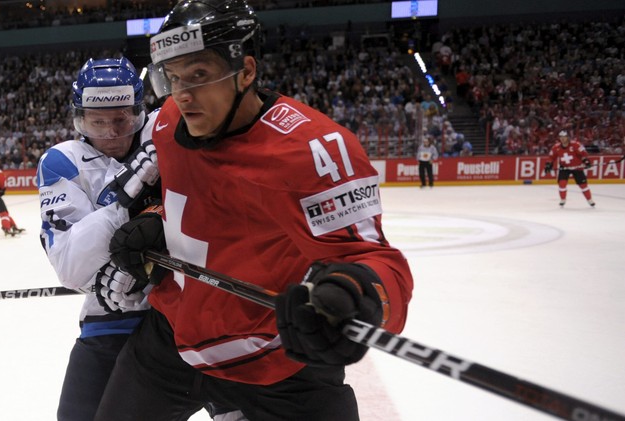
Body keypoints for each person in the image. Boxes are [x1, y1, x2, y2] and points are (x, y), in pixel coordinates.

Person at [96, 1, 413, 420]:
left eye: (199, 75)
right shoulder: (170, 121)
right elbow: (192, 201)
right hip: (170, 341)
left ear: (246, 71)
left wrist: (356, 296)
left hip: (278, 364)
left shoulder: (313, 150)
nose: (182, 94)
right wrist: (155, 220)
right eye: (172, 77)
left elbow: (374, 262)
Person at [36, 57, 155, 421]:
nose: (110, 133)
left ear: (139, 111)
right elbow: (72, 269)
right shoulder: (63, 161)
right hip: (111, 317)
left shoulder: (168, 133)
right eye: (96, 121)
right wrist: (127, 198)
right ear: (79, 119)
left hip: (190, 313)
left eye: (121, 119)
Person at [544, 130, 595, 208]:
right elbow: (551, 157)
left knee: (583, 185)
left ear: (568, 137)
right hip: (564, 168)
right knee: (562, 184)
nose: (562, 139)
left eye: (564, 137)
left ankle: (589, 200)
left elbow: (583, 154)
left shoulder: (576, 145)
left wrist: (586, 161)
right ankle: (563, 199)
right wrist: (548, 165)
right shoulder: (556, 147)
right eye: (561, 137)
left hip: (577, 167)